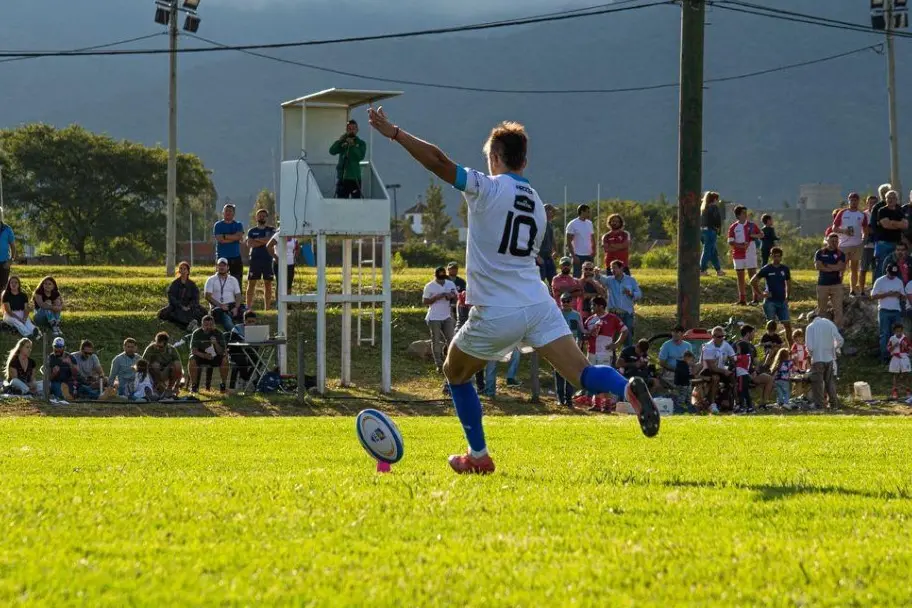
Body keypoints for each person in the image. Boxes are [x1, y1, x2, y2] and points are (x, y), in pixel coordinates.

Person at [367, 106, 659, 474]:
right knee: (582, 373)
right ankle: (627, 389)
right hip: (538, 303)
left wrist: (395, 133)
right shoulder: (537, 203)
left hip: (498, 309)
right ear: (524, 161)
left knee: (454, 372)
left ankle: (478, 455)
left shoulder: (487, 187)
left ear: (495, 157)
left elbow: (439, 162)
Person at [582, 296, 628, 411]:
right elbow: (584, 335)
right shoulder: (590, 319)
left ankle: (607, 405)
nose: (591, 307)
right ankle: (596, 404)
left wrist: (616, 344)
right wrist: (589, 334)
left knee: (605, 379)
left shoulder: (612, 318)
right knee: (593, 378)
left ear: (601, 306)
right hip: (591, 352)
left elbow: (625, 331)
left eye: (593, 305)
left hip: (605, 353)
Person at [751, 247, 792, 344]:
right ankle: (768, 348)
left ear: (781, 257)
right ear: (771, 256)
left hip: (782, 301)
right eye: (774, 256)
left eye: (778, 256)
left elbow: (788, 283)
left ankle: (791, 348)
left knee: (788, 325)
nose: (776, 258)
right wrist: (760, 294)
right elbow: (753, 281)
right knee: (771, 326)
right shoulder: (767, 269)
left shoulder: (785, 269)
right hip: (770, 302)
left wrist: (787, 297)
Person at [832, 193, 869, 296]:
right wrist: (844, 231)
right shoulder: (842, 212)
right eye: (852, 200)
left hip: (856, 244)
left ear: (858, 201)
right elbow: (834, 228)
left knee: (854, 267)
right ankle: (837, 287)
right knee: (841, 267)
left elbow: (865, 230)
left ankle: (852, 289)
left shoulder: (862, 215)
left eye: (855, 200)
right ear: (849, 201)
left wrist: (863, 240)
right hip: (844, 244)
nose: (854, 202)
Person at [805, 311, 843, 409]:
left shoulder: (810, 327)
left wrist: (812, 354)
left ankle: (819, 405)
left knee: (817, 384)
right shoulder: (829, 323)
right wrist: (833, 348)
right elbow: (840, 340)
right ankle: (834, 405)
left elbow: (809, 346)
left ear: (810, 319)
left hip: (817, 359)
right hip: (829, 359)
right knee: (830, 383)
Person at [423, 266, 457, 374]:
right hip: (434, 317)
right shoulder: (429, 286)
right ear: (435, 276)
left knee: (451, 339)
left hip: (447, 315)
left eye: (443, 278)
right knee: (436, 340)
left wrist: (450, 295)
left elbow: (456, 296)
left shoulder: (450, 284)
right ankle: (438, 364)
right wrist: (437, 297)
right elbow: (425, 301)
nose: (442, 280)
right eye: (439, 278)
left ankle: (450, 361)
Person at [600, 259, 641, 346]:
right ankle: (611, 358)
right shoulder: (609, 280)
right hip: (613, 314)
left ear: (621, 268)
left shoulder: (631, 280)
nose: (612, 270)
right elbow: (600, 278)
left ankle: (626, 357)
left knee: (628, 338)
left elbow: (639, 294)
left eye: (614, 268)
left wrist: (631, 293)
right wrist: (596, 273)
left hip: (627, 314)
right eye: (611, 268)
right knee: (610, 337)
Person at [727, 205, 763, 305]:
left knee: (752, 275)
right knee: (740, 277)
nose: (746, 215)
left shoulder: (752, 225)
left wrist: (753, 236)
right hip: (738, 254)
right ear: (738, 215)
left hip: (750, 253)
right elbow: (730, 241)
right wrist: (740, 246)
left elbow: (761, 234)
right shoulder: (733, 227)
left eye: (746, 212)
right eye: (743, 213)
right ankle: (742, 299)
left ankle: (755, 299)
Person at [871, 262, 905, 363]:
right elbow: (873, 296)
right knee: (884, 334)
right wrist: (887, 294)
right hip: (884, 310)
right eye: (890, 274)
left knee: (896, 334)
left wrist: (899, 294)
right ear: (886, 271)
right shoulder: (880, 281)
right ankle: (884, 356)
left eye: (894, 274)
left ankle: (895, 355)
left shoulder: (899, 281)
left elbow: (903, 297)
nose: (892, 276)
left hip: (896, 310)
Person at [158, 261, 206, 331]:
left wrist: (189, 306)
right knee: (165, 314)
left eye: (184, 269)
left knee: (202, 313)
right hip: (177, 306)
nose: (182, 271)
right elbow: (171, 297)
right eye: (181, 269)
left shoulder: (192, 284)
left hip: (190, 306)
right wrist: (181, 306)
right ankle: (188, 326)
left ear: (188, 271)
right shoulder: (174, 283)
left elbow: (196, 298)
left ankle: (194, 324)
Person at [554, 293, 583, 407]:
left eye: (567, 300)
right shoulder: (557, 314)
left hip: (572, 348)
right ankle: (560, 399)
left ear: (572, 302)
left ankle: (569, 399)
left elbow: (580, 333)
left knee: (570, 375)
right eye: (563, 301)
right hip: (558, 348)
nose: (565, 303)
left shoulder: (576, 315)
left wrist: (579, 348)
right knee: (559, 374)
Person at [245, 208, 277, 311]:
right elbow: (250, 244)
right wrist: (264, 241)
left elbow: (271, 241)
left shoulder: (271, 230)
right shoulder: (252, 231)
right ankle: (248, 308)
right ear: (256, 217)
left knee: (268, 284)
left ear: (267, 217)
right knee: (251, 283)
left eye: (264, 215)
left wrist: (257, 240)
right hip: (255, 260)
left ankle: (267, 309)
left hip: (268, 259)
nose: (261, 217)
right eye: (260, 215)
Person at [189, 315, 229, 394]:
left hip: (215, 356)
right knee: (192, 359)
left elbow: (222, 352)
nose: (208, 327)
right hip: (201, 355)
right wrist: (204, 355)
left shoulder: (218, 333)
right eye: (206, 325)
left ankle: (223, 385)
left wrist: (216, 344)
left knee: (225, 360)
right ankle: (194, 385)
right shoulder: (197, 333)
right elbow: (194, 351)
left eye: (211, 325)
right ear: (202, 325)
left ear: (214, 325)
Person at [700, 326, 735, 414]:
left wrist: (734, 365)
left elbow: (734, 358)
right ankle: (712, 404)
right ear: (713, 337)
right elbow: (711, 368)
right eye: (719, 337)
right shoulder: (708, 347)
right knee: (715, 378)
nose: (722, 338)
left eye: (723, 336)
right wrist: (724, 371)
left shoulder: (726, 344)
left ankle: (734, 401)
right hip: (707, 370)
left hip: (720, 369)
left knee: (734, 376)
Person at [814, 233, 846, 328]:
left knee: (838, 309)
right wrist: (833, 267)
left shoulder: (840, 253)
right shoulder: (820, 252)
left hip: (836, 285)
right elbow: (818, 266)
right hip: (822, 285)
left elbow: (840, 267)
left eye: (836, 241)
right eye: (832, 241)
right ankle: (821, 328)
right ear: (827, 241)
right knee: (822, 309)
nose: (835, 243)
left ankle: (838, 330)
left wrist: (826, 265)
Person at [329, 119, 367, 199]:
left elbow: (360, 156)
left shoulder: (361, 143)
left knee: (356, 201)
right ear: (346, 130)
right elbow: (332, 151)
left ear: (357, 130)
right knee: (341, 201)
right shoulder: (343, 142)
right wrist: (340, 141)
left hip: (355, 177)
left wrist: (352, 145)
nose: (351, 131)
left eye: (353, 129)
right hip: (343, 177)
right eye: (349, 129)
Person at [874, 189, 907, 280]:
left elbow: (905, 225)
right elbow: (886, 225)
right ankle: (878, 287)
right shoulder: (882, 210)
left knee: (895, 265)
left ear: (896, 199)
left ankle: (893, 285)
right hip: (884, 243)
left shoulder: (899, 210)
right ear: (885, 199)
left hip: (896, 243)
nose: (890, 200)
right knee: (881, 265)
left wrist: (892, 222)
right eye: (888, 198)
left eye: (893, 198)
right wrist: (898, 224)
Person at [213, 203, 245, 293]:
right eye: (226, 211)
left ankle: (237, 303)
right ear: (223, 212)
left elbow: (239, 237)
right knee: (219, 281)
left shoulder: (238, 225)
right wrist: (234, 238)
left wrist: (225, 236)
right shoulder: (218, 225)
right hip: (222, 257)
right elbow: (220, 240)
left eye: (230, 211)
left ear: (233, 213)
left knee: (237, 281)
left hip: (235, 257)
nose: (228, 212)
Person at [205, 258, 243, 332]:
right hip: (217, 308)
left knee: (247, 313)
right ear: (216, 267)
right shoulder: (211, 279)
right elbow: (207, 296)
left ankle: (252, 335)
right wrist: (220, 305)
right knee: (226, 318)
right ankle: (236, 335)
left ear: (228, 267)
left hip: (232, 306)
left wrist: (236, 307)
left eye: (224, 265)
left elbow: (238, 295)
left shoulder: (233, 280)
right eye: (220, 265)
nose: (221, 267)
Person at [141, 332, 183, 396]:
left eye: (160, 347)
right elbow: (142, 364)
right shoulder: (151, 348)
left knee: (176, 366)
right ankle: (157, 386)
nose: (158, 348)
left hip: (166, 372)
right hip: (153, 374)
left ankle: (169, 388)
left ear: (166, 345)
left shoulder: (171, 349)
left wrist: (177, 385)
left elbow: (179, 368)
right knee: (155, 364)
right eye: (157, 345)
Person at [658, 325, 694, 389]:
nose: (674, 334)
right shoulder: (666, 345)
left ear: (682, 333)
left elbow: (691, 360)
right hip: (670, 372)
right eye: (673, 332)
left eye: (677, 332)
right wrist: (676, 370)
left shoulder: (688, 345)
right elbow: (661, 362)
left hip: (685, 372)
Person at [268, 228, 300, 298]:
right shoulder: (278, 235)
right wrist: (276, 258)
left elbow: (297, 247)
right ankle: (278, 304)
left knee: (289, 284)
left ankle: (288, 304)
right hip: (279, 264)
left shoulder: (293, 235)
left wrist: (295, 257)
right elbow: (268, 246)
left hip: (290, 264)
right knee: (280, 285)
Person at [566, 204, 595, 278]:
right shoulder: (572, 224)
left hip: (589, 255)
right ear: (582, 212)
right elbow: (569, 242)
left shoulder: (589, 223)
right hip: (578, 256)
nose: (589, 214)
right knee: (577, 277)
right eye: (588, 212)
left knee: (590, 277)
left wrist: (594, 251)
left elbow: (592, 238)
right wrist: (573, 256)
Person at [700, 191, 724, 276]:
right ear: (714, 199)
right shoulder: (714, 207)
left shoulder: (703, 208)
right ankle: (702, 270)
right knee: (707, 251)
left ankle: (718, 270)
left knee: (713, 251)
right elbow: (717, 220)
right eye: (718, 199)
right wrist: (718, 229)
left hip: (703, 231)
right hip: (711, 231)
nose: (718, 201)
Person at [47, 336, 76, 402]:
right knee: (59, 390)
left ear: (64, 347)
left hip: (68, 382)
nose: (58, 349)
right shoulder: (50, 358)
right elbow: (47, 379)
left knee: (82, 390)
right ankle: (63, 396)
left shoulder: (70, 357)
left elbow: (76, 374)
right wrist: (53, 374)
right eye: (56, 347)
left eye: (60, 347)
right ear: (53, 347)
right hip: (56, 382)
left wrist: (70, 364)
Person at [887, 322, 911, 401]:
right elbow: (888, 349)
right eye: (897, 331)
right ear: (894, 331)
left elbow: (910, 349)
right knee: (896, 374)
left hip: (904, 357)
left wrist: (906, 347)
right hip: (895, 357)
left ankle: (908, 391)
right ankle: (895, 391)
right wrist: (894, 346)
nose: (899, 333)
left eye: (900, 331)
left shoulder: (905, 338)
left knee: (906, 374)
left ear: (902, 331)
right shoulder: (892, 338)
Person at [860, 194, 879, 295]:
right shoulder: (863, 215)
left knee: (876, 269)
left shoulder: (880, 214)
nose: (872, 204)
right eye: (870, 202)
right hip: (866, 245)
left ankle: (874, 289)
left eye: (874, 203)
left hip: (877, 244)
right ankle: (862, 290)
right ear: (867, 203)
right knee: (863, 268)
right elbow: (865, 229)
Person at [537, 204, 558, 286]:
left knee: (554, 281)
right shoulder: (539, 224)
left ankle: (554, 298)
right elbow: (531, 240)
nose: (553, 214)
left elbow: (552, 238)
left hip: (548, 257)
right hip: (540, 257)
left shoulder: (549, 224)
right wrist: (537, 256)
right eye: (552, 211)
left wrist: (556, 250)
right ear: (546, 211)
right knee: (540, 282)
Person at [733, 340, 754, 414]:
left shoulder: (741, 357)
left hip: (741, 376)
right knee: (746, 392)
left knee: (741, 391)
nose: (737, 350)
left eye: (738, 348)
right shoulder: (748, 356)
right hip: (745, 375)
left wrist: (735, 354)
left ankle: (742, 407)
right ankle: (750, 407)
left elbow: (734, 358)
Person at [0, 209, 16, 292]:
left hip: (4, 263)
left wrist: (11, 260)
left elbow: (13, 246)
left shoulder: (7, 229)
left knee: (3, 287)